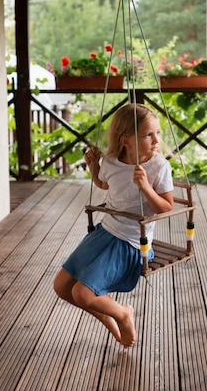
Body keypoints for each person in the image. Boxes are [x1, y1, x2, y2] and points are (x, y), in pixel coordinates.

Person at [53, 103, 174, 348]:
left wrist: (146, 188)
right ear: (126, 140)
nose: (156, 140)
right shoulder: (111, 161)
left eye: (157, 133)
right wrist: (93, 168)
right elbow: (105, 185)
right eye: (148, 135)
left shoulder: (159, 167)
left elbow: (166, 207)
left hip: (131, 242)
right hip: (105, 232)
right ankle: (109, 318)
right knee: (62, 287)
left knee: (82, 293)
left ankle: (122, 314)